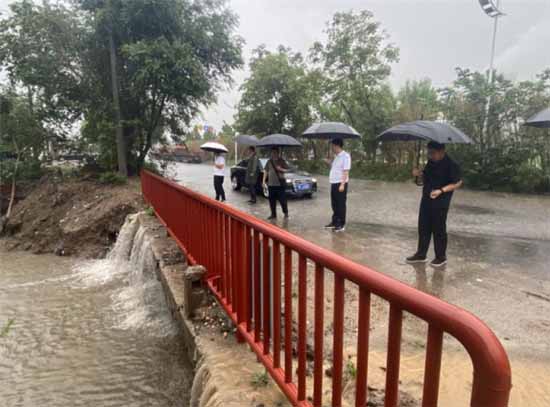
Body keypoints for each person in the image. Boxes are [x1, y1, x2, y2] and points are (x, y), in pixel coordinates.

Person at [406, 141, 463, 268]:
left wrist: (441, 190)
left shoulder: (451, 164)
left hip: (441, 201)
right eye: (428, 153)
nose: (430, 156)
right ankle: (421, 254)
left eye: (432, 153)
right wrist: (418, 174)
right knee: (423, 226)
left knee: (439, 229)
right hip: (426, 199)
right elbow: (424, 179)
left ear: (442, 152)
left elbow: (458, 183)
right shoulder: (431, 163)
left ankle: (440, 257)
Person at [325, 139, 351, 232]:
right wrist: (329, 163)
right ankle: (335, 222)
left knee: (341, 204)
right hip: (334, 182)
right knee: (334, 204)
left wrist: (342, 184)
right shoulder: (336, 157)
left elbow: (346, 171)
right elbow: (334, 168)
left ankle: (341, 224)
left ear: (337, 146)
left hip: (340, 183)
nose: (331, 148)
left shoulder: (346, 156)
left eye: (332, 146)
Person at [262, 148, 289, 220]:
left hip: (280, 185)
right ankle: (273, 214)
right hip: (271, 185)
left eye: (275, 152)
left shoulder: (282, 161)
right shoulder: (269, 161)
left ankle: (285, 212)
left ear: (278, 153)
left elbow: (288, 170)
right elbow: (266, 171)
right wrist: (263, 181)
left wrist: (281, 169)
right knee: (272, 201)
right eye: (272, 152)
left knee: (283, 200)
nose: (273, 154)